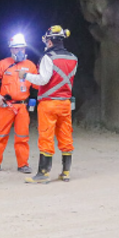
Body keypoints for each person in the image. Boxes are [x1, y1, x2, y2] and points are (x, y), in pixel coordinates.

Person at [21, 25, 77, 183]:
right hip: (65, 103)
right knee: (66, 135)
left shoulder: (48, 57)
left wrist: (26, 75)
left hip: (49, 103)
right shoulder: (73, 58)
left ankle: (43, 173)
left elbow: (43, 80)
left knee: (46, 136)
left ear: (50, 41)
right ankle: (66, 172)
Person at [0, 33, 37, 174]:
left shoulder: (31, 66)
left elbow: (38, 85)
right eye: (16, 48)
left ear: (25, 49)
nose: (19, 51)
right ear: (11, 49)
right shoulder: (3, 64)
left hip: (22, 106)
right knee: (0, 136)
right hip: (5, 106)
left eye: (22, 48)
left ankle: (23, 164)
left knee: (22, 136)